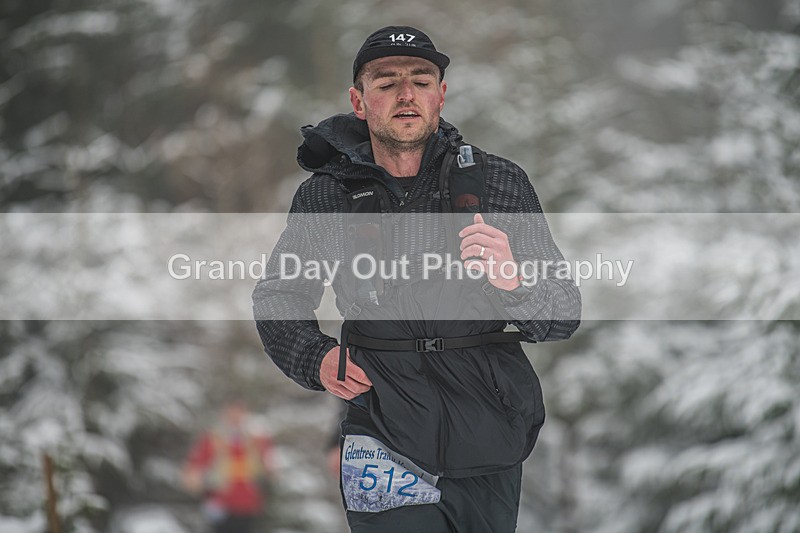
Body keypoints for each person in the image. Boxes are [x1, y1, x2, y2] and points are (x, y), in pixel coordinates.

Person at [253, 25, 581, 533]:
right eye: (386, 83)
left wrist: (517, 283)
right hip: (381, 429)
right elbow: (279, 295)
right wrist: (312, 357)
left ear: (441, 95)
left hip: (490, 429)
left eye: (421, 81)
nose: (406, 95)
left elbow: (563, 314)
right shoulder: (327, 196)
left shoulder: (499, 182)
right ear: (359, 101)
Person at [182, 401, 274, 533]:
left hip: (248, 502)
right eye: (231, 413)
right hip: (220, 500)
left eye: (239, 413)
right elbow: (195, 465)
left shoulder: (256, 439)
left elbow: (268, 465)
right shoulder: (213, 438)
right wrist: (195, 478)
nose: (235, 418)